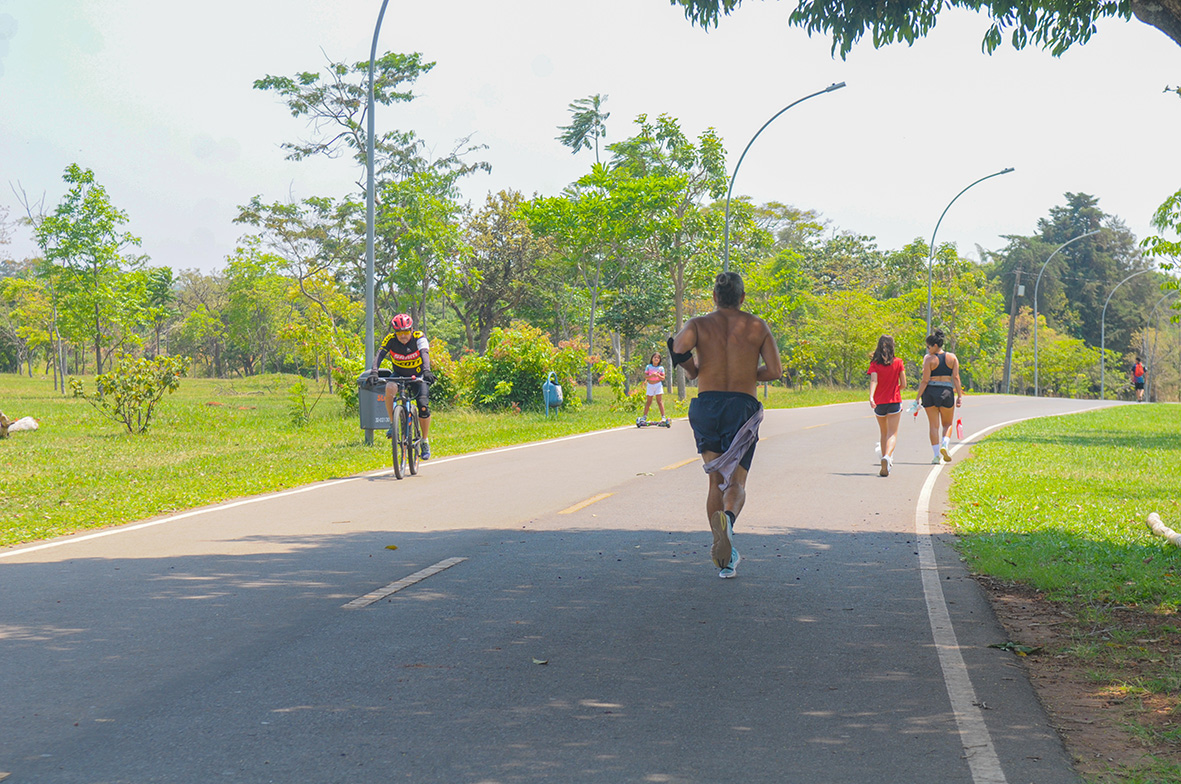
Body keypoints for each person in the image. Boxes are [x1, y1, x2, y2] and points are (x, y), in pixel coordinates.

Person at [669, 271, 783, 578]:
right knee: (737, 483)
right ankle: (728, 524)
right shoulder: (757, 326)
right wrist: (748, 374)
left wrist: (694, 369)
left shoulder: (698, 324)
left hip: (707, 405)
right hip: (741, 408)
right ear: (743, 297)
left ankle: (724, 549)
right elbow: (774, 370)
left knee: (714, 481)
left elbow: (677, 348)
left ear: (715, 298)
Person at [372, 312, 436, 459]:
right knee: (389, 388)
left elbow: (425, 353)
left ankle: (425, 441)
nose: (403, 336)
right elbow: (379, 355)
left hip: (419, 375)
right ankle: (392, 423)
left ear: (411, 329)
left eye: (406, 331)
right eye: (399, 332)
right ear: (395, 333)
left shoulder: (419, 337)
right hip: (399, 375)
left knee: (423, 406)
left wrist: (427, 371)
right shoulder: (390, 340)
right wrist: (374, 372)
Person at [913, 328, 963, 464]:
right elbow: (956, 377)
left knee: (933, 426)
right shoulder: (952, 358)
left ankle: (936, 456)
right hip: (946, 392)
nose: (928, 349)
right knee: (947, 424)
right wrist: (959, 395)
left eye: (928, 346)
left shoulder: (929, 359)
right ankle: (945, 444)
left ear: (935, 346)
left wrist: (917, 398)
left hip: (930, 393)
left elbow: (924, 380)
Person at [868, 335, 906, 477]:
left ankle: (885, 460)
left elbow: (874, 380)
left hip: (879, 403)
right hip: (894, 401)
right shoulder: (898, 362)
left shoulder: (875, 364)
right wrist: (895, 389)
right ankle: (887, 457)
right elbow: (904, 384)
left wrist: (872, 396)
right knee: (892, 433)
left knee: (883, 433)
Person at [638, 352, 667, 425]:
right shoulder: (648, 366)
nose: (656, 359)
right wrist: (651, 376)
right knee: (649, 401)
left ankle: (663, 417)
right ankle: (644, 417)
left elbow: (663, 378)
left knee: (659, 401)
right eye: (655, 357)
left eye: (658, 358)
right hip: (650, 385)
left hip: (658, 385)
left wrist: (658, 376)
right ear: (652, 359)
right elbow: (645, 376)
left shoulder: (661, 368)